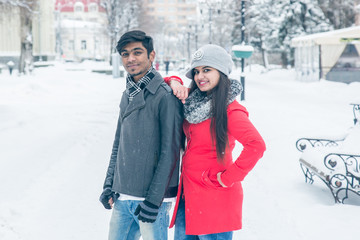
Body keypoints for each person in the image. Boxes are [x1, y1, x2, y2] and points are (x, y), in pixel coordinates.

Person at [165, 44, 266, 239]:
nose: (199, 76)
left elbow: (256, 145)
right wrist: (175, 82)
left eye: (207, 70)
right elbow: (162, 80)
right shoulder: (195, 102)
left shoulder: (230, 110)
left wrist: (227, 178)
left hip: (214, 199)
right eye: (196, 71)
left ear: (221, 72)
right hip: (189, 197)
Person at [99, 30, 184, 240]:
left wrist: (154, 200)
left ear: (151, 56)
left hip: (151, 201)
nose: (131, 59)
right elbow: (118, 145)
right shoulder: (128, 94)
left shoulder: (165, 96)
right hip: (122, 197)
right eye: (125, 54)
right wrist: (109, 185)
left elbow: (170, 152)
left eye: (137, 52)